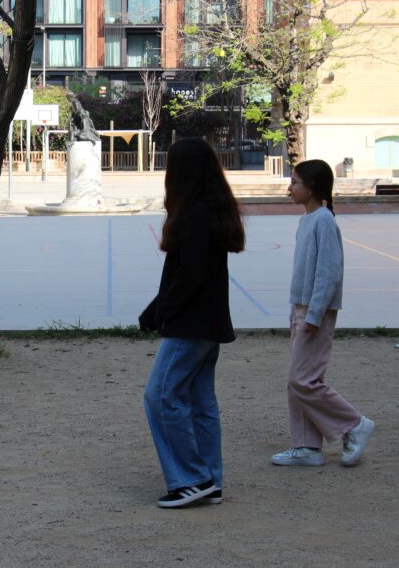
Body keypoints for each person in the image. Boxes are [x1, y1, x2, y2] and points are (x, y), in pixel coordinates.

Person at [138, 137, 245, 508]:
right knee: (199, 402)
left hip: (192, 324)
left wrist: (159, 311)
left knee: (160, 396)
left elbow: (190, 275)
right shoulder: (207, 209)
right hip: (204, 323)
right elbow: (189, 272)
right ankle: (210, 480)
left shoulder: (197, 214)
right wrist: (157, 308)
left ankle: (191, 479)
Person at [271, 159, 374, 468]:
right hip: (301, 308)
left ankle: (354, 424)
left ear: (312, 187)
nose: (289, 188)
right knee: (298, 381)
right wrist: (297, 310)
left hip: (315, 312)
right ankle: (306, 447)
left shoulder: (324, 221)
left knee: (303, 380)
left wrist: (314, 315)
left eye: (295, 182)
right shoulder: (307, 220)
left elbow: (329, 273)